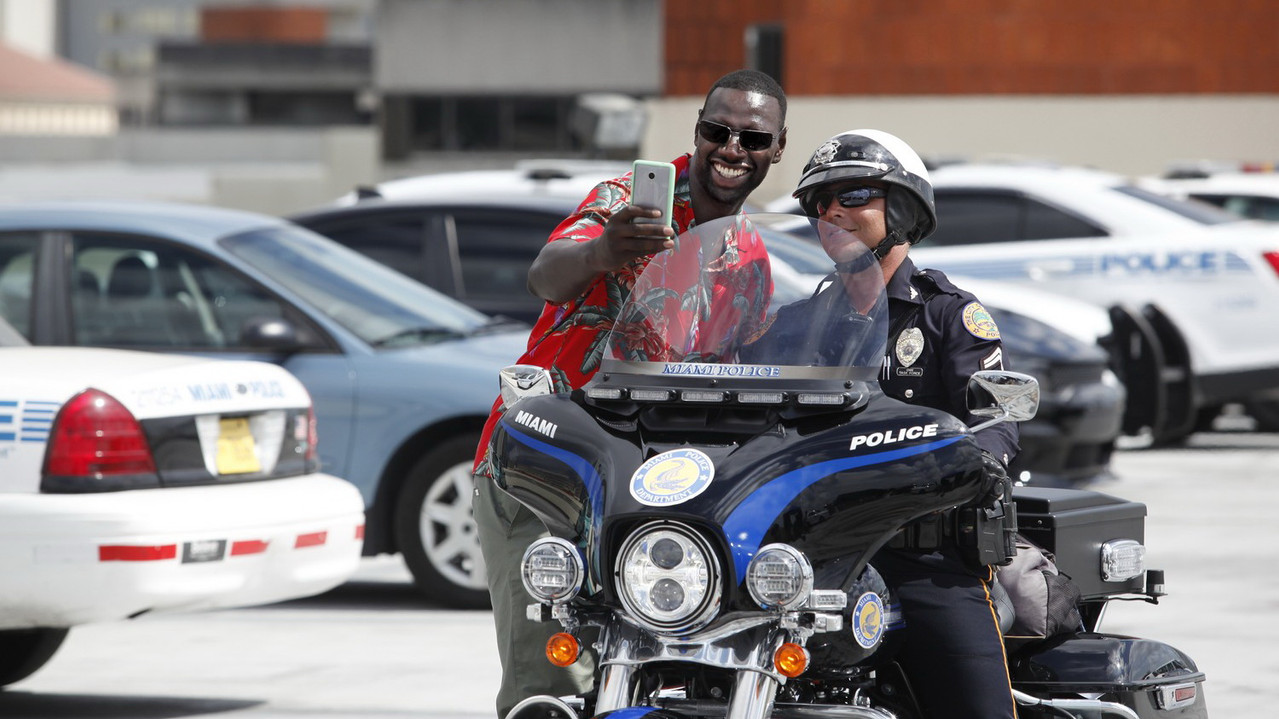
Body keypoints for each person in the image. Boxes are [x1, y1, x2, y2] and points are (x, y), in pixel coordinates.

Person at [472, 68, 788, 719]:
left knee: (638, 674)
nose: (732, 149)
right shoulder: (630, 200)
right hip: (544, 467)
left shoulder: (751, 258)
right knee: (550, 684)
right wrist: (601, 253)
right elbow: (545, 275)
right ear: (696, 132)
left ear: (776, 149)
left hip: (641, 486)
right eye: (716, 131)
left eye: (752, 138)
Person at [786, 129, 1020, 719]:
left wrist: (970, 465)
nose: (832, 211)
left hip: (923, 560)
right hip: (808, 556)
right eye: (820, 202)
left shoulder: (948, 315)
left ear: (904, 209)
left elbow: (997, 421)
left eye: (854, 194)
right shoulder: (798, 323)